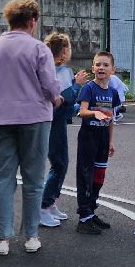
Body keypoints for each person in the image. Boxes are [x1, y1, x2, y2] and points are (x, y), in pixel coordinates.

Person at [0, 0, 64, 257]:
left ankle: (2, 238)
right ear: (32, 21)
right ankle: (32, 236)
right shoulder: (39, 48)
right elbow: (50, 85)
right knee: (34, 178)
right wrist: (56, 98)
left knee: (3, 177)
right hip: (34, 117)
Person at [71, 50, 119, 234]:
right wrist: (94, 113)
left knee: (99, 177)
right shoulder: (89, 88)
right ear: (93, 68)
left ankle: (91, 211)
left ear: (112, 70)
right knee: (86, 176)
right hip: (88, 137)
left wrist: (111, 141)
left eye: (106, 65)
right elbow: (82, 112)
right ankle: (83, 218)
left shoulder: (113, 92)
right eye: (98, 64)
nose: (101, 67)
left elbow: (111, 118)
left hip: (103, 138)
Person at [38, 33, 79, 230]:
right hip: (53, 121)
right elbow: (64, 98)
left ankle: (51, 201)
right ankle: (43, 205)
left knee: (60, 162)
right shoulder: (61, 71)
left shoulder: (50, 69)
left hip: (54, 120)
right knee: (59, 163)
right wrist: (78, 84)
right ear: (64, 51)